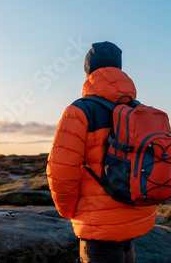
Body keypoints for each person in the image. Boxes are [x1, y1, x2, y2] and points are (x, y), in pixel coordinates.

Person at [47, 41, 156, 263]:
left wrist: (69, 212)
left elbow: (61, 171)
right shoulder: (139, 110)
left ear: (88, 72)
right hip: (137, 212)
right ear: (120, 68)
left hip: (98, 223)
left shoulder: (79, 111)